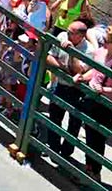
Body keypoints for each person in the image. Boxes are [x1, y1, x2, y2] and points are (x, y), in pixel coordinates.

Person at [74, 25, 112, 180]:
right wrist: (83, 77)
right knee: (89, 135)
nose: (103, 42)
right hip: (92, 98)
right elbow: (94, 71)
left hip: (107, 105)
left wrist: (103, 90)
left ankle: (95, 173)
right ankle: (88, 169)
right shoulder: (100, 52)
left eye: (107, 41)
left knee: (98, 140)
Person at [45, 20, 94, 160]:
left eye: (71, 33)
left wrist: (72, 53)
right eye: (67, 30)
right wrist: (63, 69)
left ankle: (66, 152)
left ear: (80, 36)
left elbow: (78, 71)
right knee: (54, 116)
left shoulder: (89, 51)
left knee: (74, 123)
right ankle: (52, 147)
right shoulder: (61, 36)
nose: (67, 34)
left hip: (76, 90)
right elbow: (49, 56)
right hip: (60, 84)